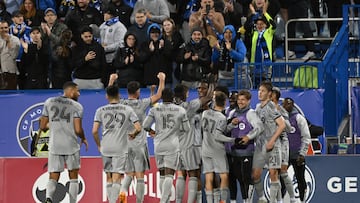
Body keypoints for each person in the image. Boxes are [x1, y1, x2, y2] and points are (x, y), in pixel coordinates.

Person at [108, 72, 166, 203]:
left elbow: (110, 95)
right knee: (140, 175)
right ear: (138, 92)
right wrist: (162, 80)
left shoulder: (121, 103)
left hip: (125, 144)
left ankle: (123, 192)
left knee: (129, 173)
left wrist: (111, 80)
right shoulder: (142, 103)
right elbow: (159, 95)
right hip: (139, 144)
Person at [40, 81, 89, 203]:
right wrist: (83, 138)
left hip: (55, 145)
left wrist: (53, 125)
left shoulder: (49, 102)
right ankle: (72, 202)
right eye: (77, 91)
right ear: (71, 91)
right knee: (73, 176)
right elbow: (78, 129)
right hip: (70, 145)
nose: (78, 94)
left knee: (54, 174)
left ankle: (48, 198)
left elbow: (42, 126)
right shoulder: (77, 106)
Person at [92, 85, 141, 203]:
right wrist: (133, 133)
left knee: (108, 176)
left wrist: (99, 145)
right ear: (119, 95)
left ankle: (111, 201)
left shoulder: (100, 110)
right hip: (120, 147)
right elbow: (138, 127)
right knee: (117, 176)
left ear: (106, 96)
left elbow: (94, 131)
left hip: (106, 146)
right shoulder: (127, 109)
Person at [143, 87, 191, 203]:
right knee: (170, 175)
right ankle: (164, 201)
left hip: (158, 144)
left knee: (162, 175)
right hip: (172, 145)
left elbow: (145, 125)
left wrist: (152, 131)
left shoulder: (155, 109)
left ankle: (165, 199)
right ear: (173, 97)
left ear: (162, 97)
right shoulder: (180, 110)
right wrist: (176, 131)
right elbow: (187, 129)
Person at [173, 83, 213, 203]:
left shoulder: (169, 106)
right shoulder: (189, 106)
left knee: (180, 174)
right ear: (185, 94)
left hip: (175, 145)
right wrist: (212, 84)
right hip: (189, 144)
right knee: (193, 173)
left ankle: (179, 201)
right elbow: (208, 97)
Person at [201, 91, 243, 203]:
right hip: (217, 150)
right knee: (224, 175)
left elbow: (216, 130)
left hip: (205, 149)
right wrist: (233, 140)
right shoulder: (221, 117)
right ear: (224, 102)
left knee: (209, 177)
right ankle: (222, 201)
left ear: (214, 101)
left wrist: (231, 125)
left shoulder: (205, 113)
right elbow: (218, 135)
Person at [226, 89, 263, 203]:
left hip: (247, 152)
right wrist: (232, 124)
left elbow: (259, 128)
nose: (240, 102)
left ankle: (247, 200)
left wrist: (248, 137)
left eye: (243, 100)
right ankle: (233, 201)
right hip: (233, 152)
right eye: (239, 100)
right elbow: (225, 129)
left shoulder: (250, 113)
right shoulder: (232, 113)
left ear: (248, 101)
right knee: (233, 179)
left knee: (245, 179)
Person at [253, 81, 285, 203]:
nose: (260, 93)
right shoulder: (257, 108)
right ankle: (261, 198)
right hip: (260, 147)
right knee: (255, 175)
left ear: (269, 93)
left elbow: (281, 125)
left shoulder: (271, 107)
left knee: (273, 174)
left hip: (272, 146)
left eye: (263, 91)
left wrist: (271, 141)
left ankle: (275, 201)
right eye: (259, 90)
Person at [282, 97, 311, 203]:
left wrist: (302, 154)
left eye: (289, 104)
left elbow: (306, 137)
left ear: (293, 105)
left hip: (297, 154)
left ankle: (303, 200)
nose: (287, 106)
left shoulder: (299, 118)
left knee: (300, 179)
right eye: (285, 104)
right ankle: (281, 199)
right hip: (284, 155)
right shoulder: (280, 119)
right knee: (281, 178)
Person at [271, 87, 296, 202]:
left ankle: (292, 198)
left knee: (283, 172)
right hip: (271, 142)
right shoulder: (263, 109)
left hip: (282, 142)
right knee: (274, 173)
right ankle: (279, 200)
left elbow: (289, 128)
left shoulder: (282, 110)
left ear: (275, 96)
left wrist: (278, 116)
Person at [99, 5, 127, 87]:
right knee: (105, 82)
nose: (104, 15)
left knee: (113, 83)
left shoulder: (120, 27)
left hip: (114, 60)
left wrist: (105, 48)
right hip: (104, 60)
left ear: (111, 15)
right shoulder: (103, 26)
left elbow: (121, 43)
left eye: (106, 14)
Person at [250, 14, 275, 88]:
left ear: (265, 25)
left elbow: (273, 24)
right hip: (255, 64)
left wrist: (265, 13)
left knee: (266, 86)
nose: (259, 26)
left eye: (261, 24)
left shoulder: (269, 32)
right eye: (258, 24)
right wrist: (254, 13)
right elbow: (247, 26)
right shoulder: (254, 33)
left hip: (266, 64)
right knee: (255, 85)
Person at [162, 17, 184, 87]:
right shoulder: (161, 37)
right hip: (165, 64)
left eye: (168, 25)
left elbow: (175, 50)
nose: (166, 27)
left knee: (175, 82)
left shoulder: (177, 36)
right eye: (165, 25)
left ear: (172, 25)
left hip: (176, 63)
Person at [0, 20, 20, 90]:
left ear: (8, 28)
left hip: (11, 72)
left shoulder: (15, 40)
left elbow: (14, 55)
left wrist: (8, 42)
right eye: (1, 28)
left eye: (5, 27)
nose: (4, 30)